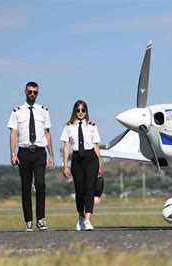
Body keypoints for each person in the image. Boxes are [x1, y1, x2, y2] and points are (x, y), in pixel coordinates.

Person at [7, 81, 54, 232]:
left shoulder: (44, 111)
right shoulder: (17, 111)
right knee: (26, 188)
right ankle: (28, 220)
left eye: (35, 92)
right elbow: (13, 133)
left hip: (40, 152)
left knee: (40, 184)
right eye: (30, 92)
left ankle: (40, 219)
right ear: (25, 92)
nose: (32, 94)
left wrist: (51, 155)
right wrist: (13, 153)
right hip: (24, 152)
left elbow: (47, 133)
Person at [61, 100, 103, 231]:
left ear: (86, 112)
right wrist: (65, 165)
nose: (80, 113)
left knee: (89, 190)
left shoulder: (92, 126)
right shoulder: (68, 126)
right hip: (77, 159)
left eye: (83, 110)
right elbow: (66, 147)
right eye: (78, 110)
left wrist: (100, 165)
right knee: (79, 192)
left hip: (91, 159)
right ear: (74, 111)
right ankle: (80, 216)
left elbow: (96, 146)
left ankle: (88, 220)